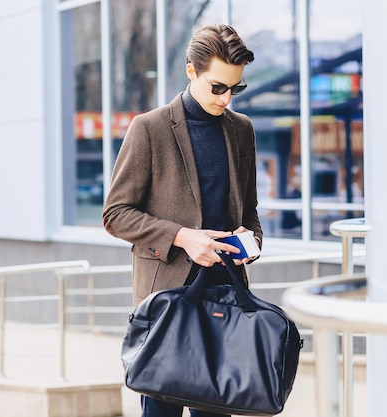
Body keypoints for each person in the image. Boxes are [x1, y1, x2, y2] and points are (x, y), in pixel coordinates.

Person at [102, 24, 262, 417]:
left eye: (235, 89)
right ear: (191, 72)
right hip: (166, 302)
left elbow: (251, 212)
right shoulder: (149, 129)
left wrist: (251, 243)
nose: (226, 98)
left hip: (225, 297)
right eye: (217, 87)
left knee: (217, 411)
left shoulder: (241, 131)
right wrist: (182, 236)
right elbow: (115, 214)